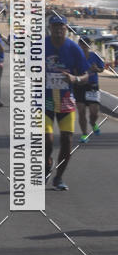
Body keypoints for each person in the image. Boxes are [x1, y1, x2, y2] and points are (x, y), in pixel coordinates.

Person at [45, 15, 89, 190]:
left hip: (65, 101)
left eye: (61, 27)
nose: (58, 30)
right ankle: (47, 163)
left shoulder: (73, 48)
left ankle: (59, 178)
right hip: (44, 100)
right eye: (55, 26)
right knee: (47, 140)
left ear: (66, 28)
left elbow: (86, 75)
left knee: (67, 141)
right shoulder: (39, 46)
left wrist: (74, 79)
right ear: (49, 28)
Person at [75, 36, 104, 142]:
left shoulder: (95, 56)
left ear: (89, 46)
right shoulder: (76, 56)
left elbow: (101, 68)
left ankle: (93, 123)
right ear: (79, 45)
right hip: (80, 86)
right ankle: (84, 135)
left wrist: (97, 69)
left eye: (86, 44)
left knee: (94, 112)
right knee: (81, 111)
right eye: (82, 44)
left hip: (92, 85)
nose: (84, 46)